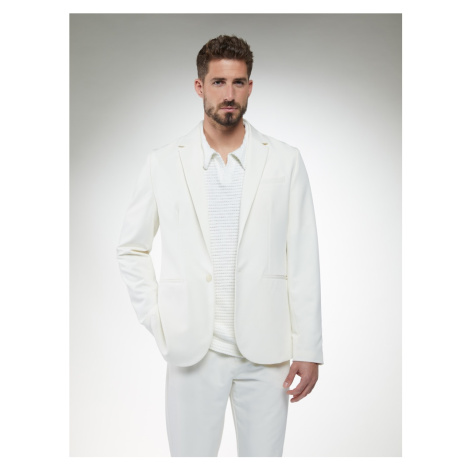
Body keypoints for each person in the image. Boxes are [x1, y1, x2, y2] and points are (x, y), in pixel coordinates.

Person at [116, 34, 323, 457]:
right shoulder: (163, 161)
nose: (229, 94)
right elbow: (131, 248)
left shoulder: (285, 160)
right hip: (193, 350)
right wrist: (158, 318)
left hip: (266, 355)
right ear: (200, 87)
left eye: (238, 82)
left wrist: (308, 347)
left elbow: (303, 256)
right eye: (218, 82)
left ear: (250, 86)